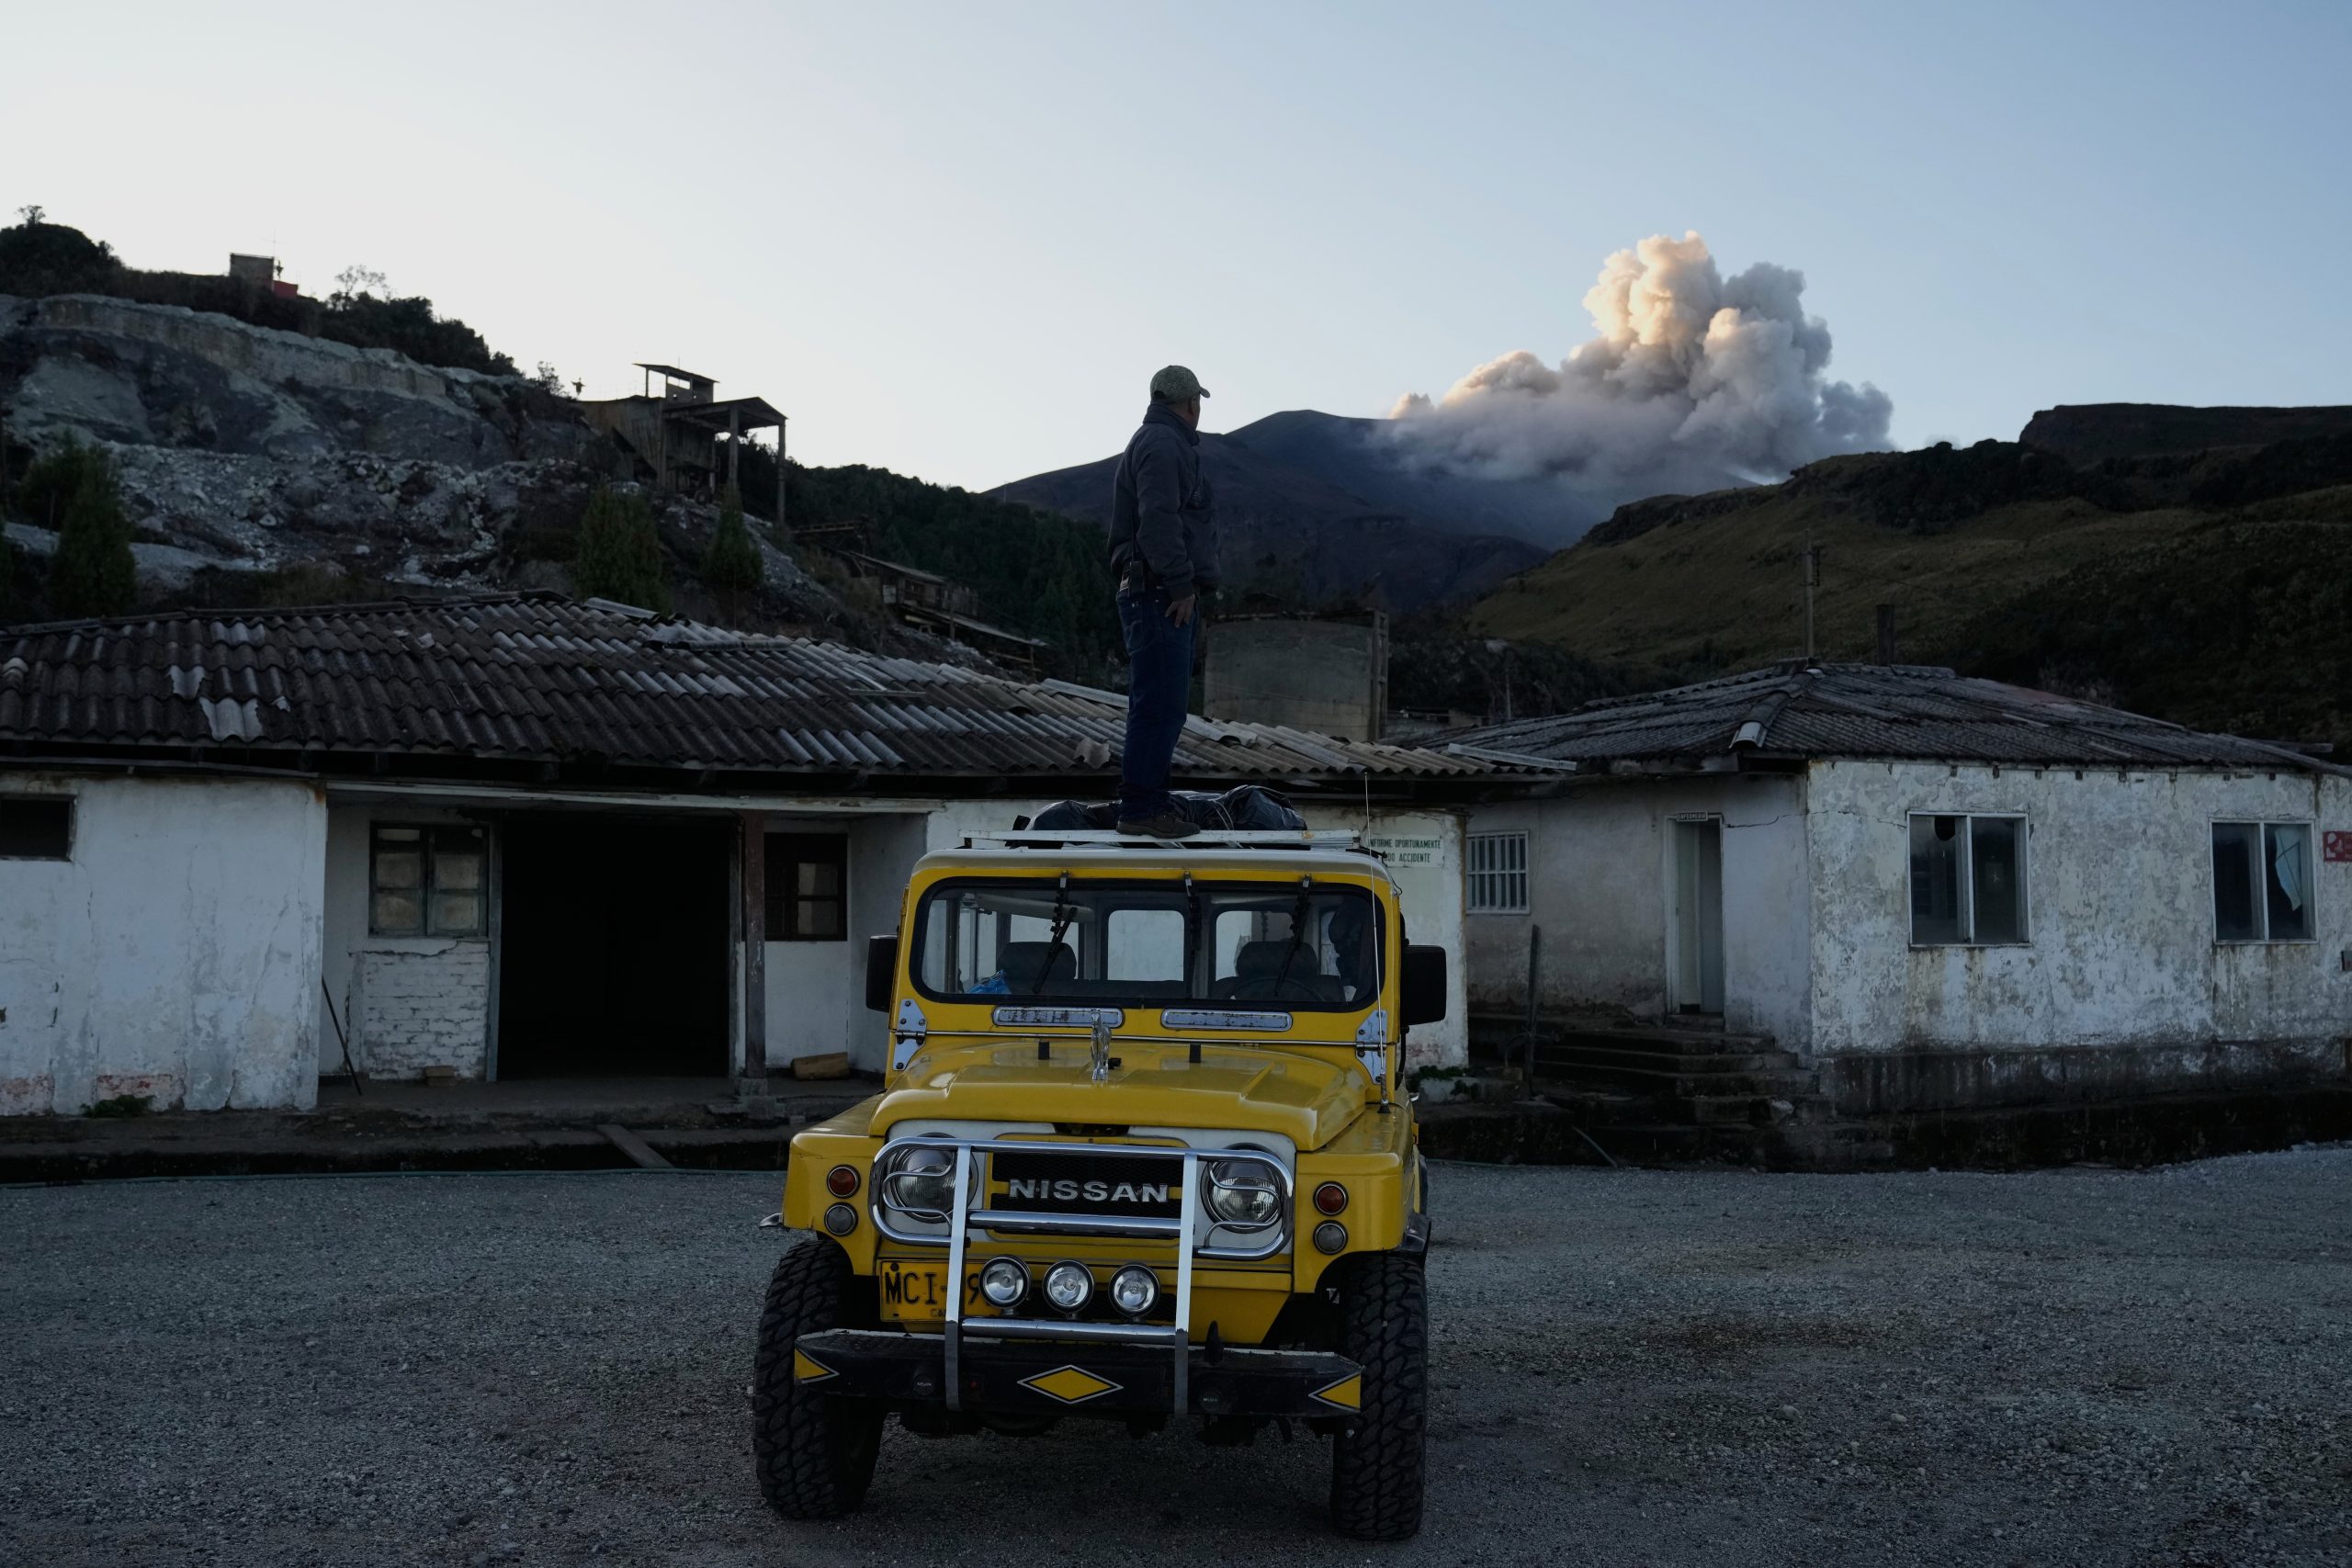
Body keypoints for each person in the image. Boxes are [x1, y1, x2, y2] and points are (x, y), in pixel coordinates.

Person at [1107, 365, 1220, 838]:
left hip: (1154, 589)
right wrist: (1180, 587)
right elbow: (1157, 522)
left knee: (1161, 703)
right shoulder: (1164, 445)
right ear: (1191, 404)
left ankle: (1152, 801)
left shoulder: (1156, 441)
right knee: (1159, 704)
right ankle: (1141, 810)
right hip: (1158, 593)